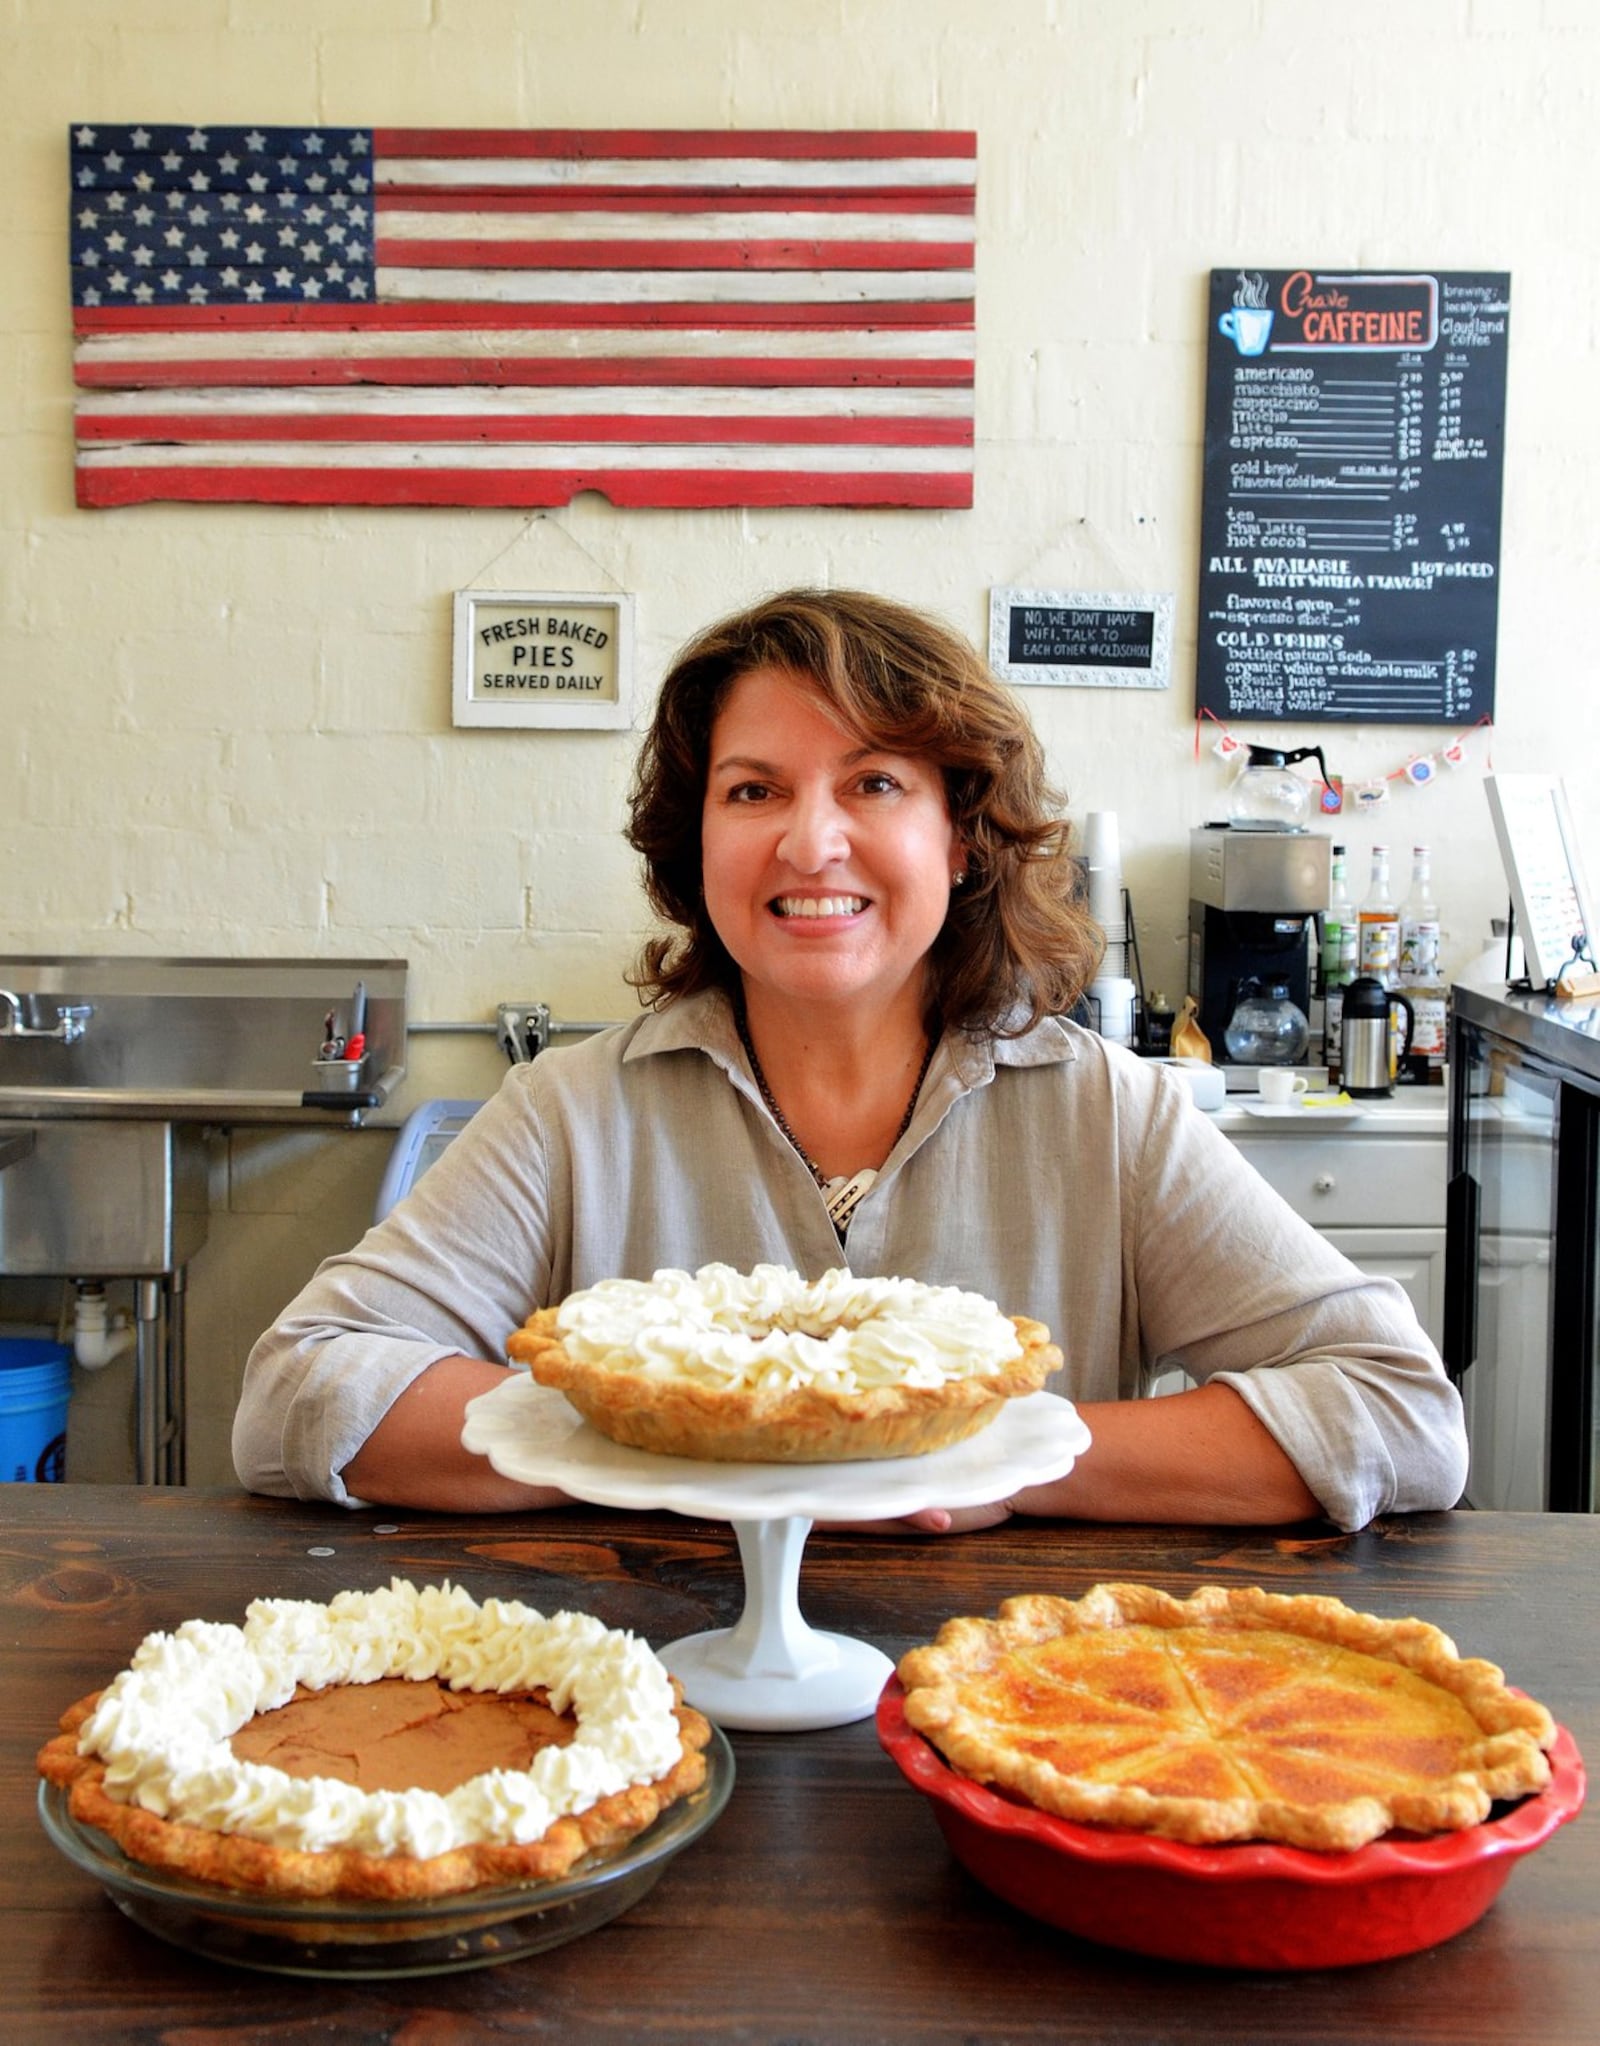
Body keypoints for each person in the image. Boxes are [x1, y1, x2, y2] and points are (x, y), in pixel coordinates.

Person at [235, 588, 1468, 1532]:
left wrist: (1000, 1459)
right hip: (641, 1716)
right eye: (753, 790)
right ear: (696, 841)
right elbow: (299, 1393)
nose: (809, 842)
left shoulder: (1112, 1118)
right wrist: (660, 1438)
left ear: (964, 839)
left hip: (1029, 1719)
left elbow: (1398, 1414)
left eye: (873, 783)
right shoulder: (571, 1113)